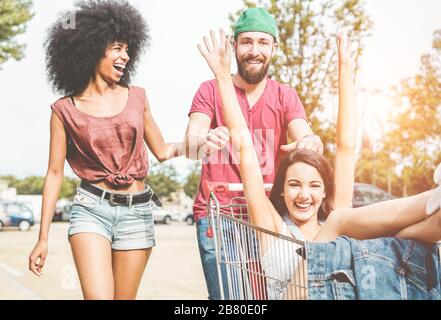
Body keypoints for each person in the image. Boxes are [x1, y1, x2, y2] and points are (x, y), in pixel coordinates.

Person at [198, 28, 441, 299]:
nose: (304, 195)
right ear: (281, 190)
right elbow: (244, 144)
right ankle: (433, 196)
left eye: (314, 185)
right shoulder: (273, 226)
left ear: (325, 190)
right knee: (339, 223)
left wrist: (346, 70)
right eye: (294, 185)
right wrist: (222, 75)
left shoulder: (334, 217)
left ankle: (435, 204)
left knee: (423, 231)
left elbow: (346, 148)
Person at [28, 0, 183, 300]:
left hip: (137, 211)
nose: (125, 56)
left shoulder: (138, 97)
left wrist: (196, 143)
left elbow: (162, 150)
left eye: (128, 49)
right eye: (117, 48)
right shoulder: (64, 110)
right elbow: (54, 173)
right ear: (90, 47)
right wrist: (43, 238)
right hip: (90, 210)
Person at [184, 7, 324, 300]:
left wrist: (311, 141)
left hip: (266, 215)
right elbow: (191, 142)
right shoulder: (210, 90)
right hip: (220, 214)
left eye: (262, 42)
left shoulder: (285, 95)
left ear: (273, 48)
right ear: (235, 46)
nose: (254, 50)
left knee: (270, 295)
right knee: (230, 297)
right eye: (246, 42)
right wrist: (203, 140)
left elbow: (305, 133)